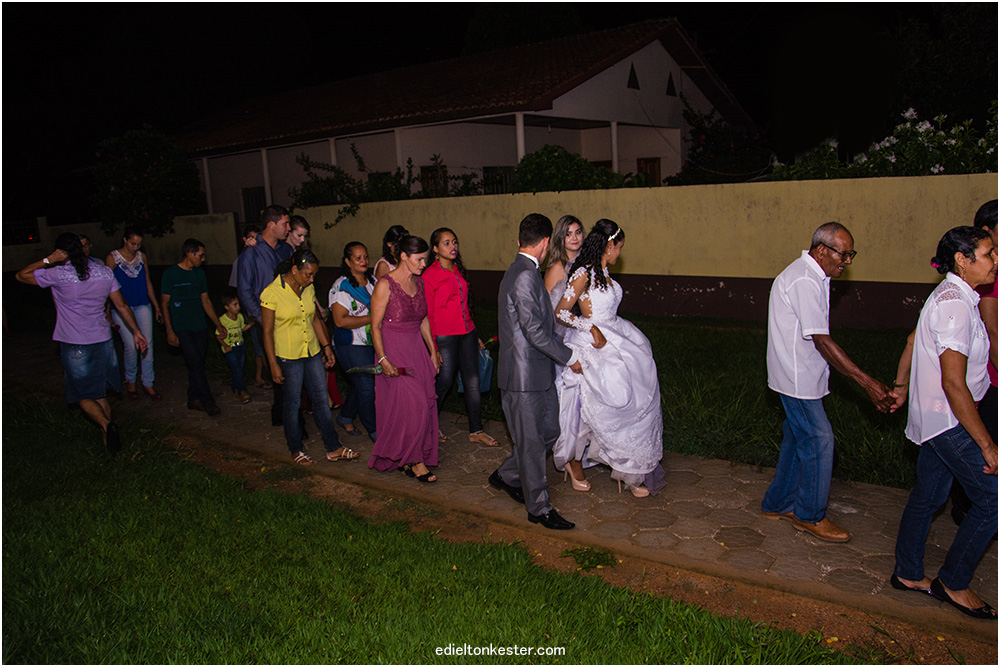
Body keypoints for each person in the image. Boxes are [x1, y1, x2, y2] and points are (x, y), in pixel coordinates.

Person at [761, 222, 895, 543]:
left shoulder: (814, 275)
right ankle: (810, 515)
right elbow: (822, 340)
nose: (847, 261)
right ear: (822, 250)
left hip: (798, 374)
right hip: (797, 379)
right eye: (843, 254)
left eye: (851, 254)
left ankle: (778, 503)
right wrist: (867, 381)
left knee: (797, 439)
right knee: (820, 441)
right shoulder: (805, 280)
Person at [889, 226, 997, 620]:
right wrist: (987, 444)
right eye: (988, 254)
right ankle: (954, 581)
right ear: (962, 261)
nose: (996, 261)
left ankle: (908, 573)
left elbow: (912, 341)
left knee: (929, 495)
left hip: (934, 416)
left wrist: (901, 386)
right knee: (993, 499)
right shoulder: (955, 304)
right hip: (949, 419)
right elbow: (953, 382)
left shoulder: (955, 296)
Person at [489, 213, 587, 530]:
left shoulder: (528, 271)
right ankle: (539, 508)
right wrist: (569, 355)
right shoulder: (522, 275)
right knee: (532, 444)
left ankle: (506, 474)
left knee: (549, 433)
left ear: (522, 240)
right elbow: (534, 331)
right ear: (546, 242)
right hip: (522, 377)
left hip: (539, 371)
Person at [554, 219, 665, 497]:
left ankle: (629, 470)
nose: (620, 254)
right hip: (592, 342)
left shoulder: (606, 272)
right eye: (619, 248)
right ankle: (574, 462)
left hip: (618, 334)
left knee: (636, 399)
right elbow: (562, 311)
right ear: (610, 245)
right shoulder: (584, 273)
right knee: (595, 406)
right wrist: (589, 327)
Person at [16, 233, 148, 454]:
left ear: (62, 252)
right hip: (103, 341)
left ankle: (107, 425)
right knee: (101, 394)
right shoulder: (103, 272)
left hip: (75, 343)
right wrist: (136, 332)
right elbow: (122, 306)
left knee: (81, 395)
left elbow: (22, 275)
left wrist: (50, 259)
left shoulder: (59, 273)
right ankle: (110, 446)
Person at [261, 248, 358, 465]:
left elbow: (315, 319)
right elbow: (266, 332)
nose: (312, 278)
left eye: (314, 274)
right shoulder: (272, 292)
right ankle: (295, 449)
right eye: (308, 274)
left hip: (311, 351)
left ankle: (333, 447)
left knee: (321, 401)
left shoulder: (308, 288)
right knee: (293, 403)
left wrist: (326, 347)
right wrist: (273, 364)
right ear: (294, 270)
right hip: (288, 356)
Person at [368, 235, 441, 482]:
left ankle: (410, 456)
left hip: (416, 350)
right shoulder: (384, 285)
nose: (423, 264)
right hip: (394, 349)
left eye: (424, 259)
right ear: (403, 256)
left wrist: (432, 351)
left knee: (420, 403)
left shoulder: (418, 284)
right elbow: (375, 326)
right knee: (415, 404)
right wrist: (383, 359)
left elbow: (423, 318)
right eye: (419, 259)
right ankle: (415, 461)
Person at [423, 227, 498, 447]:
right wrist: (433, 347)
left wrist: (474, 334)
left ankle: (476, 430)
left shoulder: (458, 270)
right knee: (444, 381)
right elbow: (428, 314)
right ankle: (428, 425)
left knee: (472, 381)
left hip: (467, 333)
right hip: (444, 337)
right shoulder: (429, 276)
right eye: (446, 243)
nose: (452, 246)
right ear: (435, 249)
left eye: (454, 242)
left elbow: (465, 306)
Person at [543, 215, 592, 488]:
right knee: (566, 402)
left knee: (584, 401)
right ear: (560, 239)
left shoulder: (585, 267)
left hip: (579, 338)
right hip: (559, 342)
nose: (575, 238)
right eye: (569, 234)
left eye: (578, 232)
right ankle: (569, 460)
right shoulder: (558, 268)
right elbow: (545, 312)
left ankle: (579, 453)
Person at [237, 205, 293, 422]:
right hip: (268, 322)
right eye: (285, 224)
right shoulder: (250, 253)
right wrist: (262, 319)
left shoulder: (284, 250)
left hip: (288, 319)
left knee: (290, 369)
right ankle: (284, 415)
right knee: (278, 369)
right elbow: (244, 290)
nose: (288, 228)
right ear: (271, 224)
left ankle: (284, 414)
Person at [161, 238, 227, 416]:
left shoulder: (199, 274)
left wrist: (218, 324)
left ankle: (193, 398)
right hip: (182, 327)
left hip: (199, 326)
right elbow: (165, 304)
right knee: (196, 364)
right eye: (200, 255)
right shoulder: (171, 274)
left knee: (196, 364)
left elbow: (205, 300)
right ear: (189, 254)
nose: (203, 259)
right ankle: (208, 401)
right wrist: (169, 330)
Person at [287, 214, 343, 410]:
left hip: (310, 318)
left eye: (305, 236)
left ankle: (321, 398)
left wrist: (318, 308)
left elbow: (309, 290)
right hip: (292, 324)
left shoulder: (304, 256)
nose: (302, 240)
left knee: (320, 359)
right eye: (299, 235)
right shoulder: (283, 257)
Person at [105, 224, 163, 401]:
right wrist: (107, 312)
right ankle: (130, 381)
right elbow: (106, 287)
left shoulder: (141, 257)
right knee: (130, 346)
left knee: (148, 344)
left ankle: (148, 383)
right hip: (122, 307)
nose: (135, 247)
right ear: (125, 240)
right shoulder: (112, 258)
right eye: (132, 243)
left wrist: (157, 307)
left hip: (143, 305)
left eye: (138, 244)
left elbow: (148, 283)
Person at [329, 242, 377, 441]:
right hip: (350, 344)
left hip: (371, 342)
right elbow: (340, 321)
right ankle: (375, 430)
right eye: (358, 258)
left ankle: (346, 416)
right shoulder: (342, 287)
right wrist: (372, 318)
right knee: (366, 387)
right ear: (348, 261)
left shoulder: (373, 282)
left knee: (362, 385)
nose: (363, 261)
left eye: (365, 257)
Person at [229, 225, 268, 389]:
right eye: (251, 237)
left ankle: (260, 377)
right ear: (245, 240)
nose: (255, 241)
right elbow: (239, 290)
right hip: (253, 312)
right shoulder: (242, 261)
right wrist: (251, 313)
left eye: (257, 238)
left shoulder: (263, 257)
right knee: (260, 347)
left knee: (263, 347)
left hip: (265, 309)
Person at [217, 287, 253, 404]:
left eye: (238, 304)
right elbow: (218, 335)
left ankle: (235, 387)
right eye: (234, 305)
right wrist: (225, 346)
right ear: (227, 307)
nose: (238, 307)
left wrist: (251, 324)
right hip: (230, 349)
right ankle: (242, 391)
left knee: (239, 368)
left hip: (240, 346)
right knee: (236, 369)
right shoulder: (222, 320)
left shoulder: (240, 317)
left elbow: (241, 329)